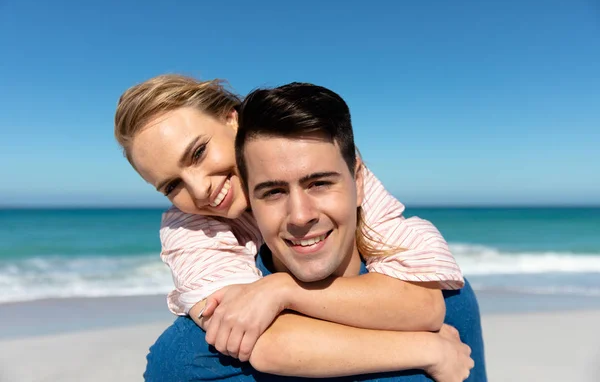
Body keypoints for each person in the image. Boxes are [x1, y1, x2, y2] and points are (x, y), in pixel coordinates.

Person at [113, 75, 486, 380]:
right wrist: (428, 349)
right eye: (172, 186)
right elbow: (259, 340)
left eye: (197, 153)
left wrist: (282, 289)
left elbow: (424, 304)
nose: (199, 189)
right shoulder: (191, 232)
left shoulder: (334, 163)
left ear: (233, 120)